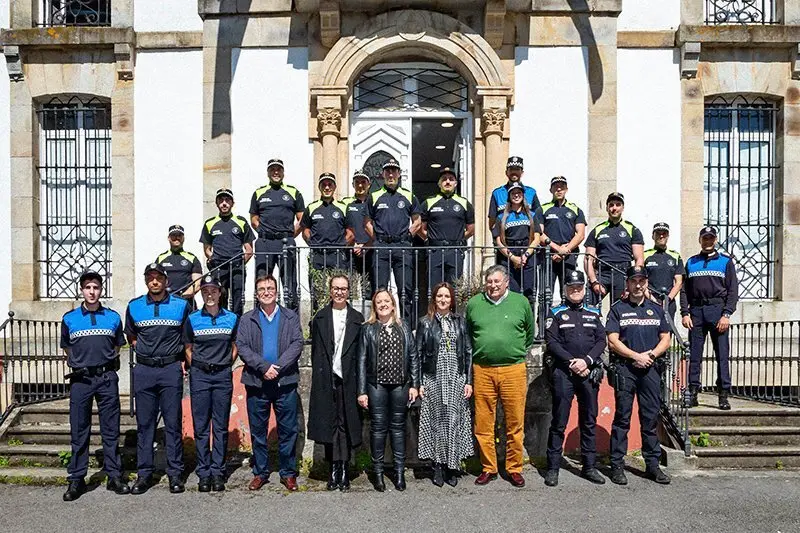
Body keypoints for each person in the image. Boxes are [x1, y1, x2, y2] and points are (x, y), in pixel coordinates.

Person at [60, 271, 129, 501]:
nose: (92, 291)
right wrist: (83, 365)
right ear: (82, 290)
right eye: (88, 287)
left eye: (96, 287)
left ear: (101, 290)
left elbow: (118, 346)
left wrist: (103, 365)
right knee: (79, 431)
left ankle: (114, 476)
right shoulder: (69, 318)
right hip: (81, 380)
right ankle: (77, 479)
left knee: (111, 430)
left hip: (106, 378)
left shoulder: (113, 317)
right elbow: (68, 349)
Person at [125, 263, 191, 495]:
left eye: (158, 278)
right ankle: (144, 475)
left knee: (172, 424)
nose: (155, 282)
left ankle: (175, 474)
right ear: (146, 281)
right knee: (145, 425)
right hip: (144, 370)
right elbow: (132, 337)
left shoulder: (181, 305)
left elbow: (186, 338)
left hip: (170, 369)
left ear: (166, 281)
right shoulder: (134, 307)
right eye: (150, 278)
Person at [466, 265, 534, 488]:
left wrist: (511, 350)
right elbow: (468, 334)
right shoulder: (474, 304)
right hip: (482, 369)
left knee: (515, 422)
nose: (493, 285)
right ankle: (489, 467)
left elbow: (529, 335)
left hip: (513, 369)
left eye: (497, 281)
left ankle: (514, 468)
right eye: (489, 281)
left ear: (506, 282)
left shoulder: (520, 302)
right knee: (484, 423)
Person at [235, 274, 304, 491]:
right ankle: (261, 472)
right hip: (257, 381)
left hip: (285, 381)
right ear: (256, 294)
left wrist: (278, 367)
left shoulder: (290, 317)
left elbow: (297, 342)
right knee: (258, 430)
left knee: (288, 429)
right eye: (262, 289)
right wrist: (264, 367)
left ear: (276, 291)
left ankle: (288, 473)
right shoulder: (247, 319)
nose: (267, 292)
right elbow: (242, 346)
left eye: (270, 288)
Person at [606, 266, 672, 485]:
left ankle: (652, 466)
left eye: (642, 281)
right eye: (634, 281)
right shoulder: (618, 309)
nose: (638, 285)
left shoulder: (656, 309)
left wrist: (650, 355)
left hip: (650, 369)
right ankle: (616, 465)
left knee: (650, 418)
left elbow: (665, 338)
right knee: (622, 418)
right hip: (626, 369)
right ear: (628, 283)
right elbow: (612, 341)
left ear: (646, 282)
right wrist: (635, 356)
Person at [543, 270, 606, 487]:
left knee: (588, 421)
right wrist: (573, 362)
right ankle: (552, 468)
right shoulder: (556, 313)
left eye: (579, 287)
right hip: (564, 373)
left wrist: (587, 361)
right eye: (571, 287)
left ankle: (589, 466)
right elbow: (552, 342)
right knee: (559, 421)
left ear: (584, 289)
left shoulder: (594, 312)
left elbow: (601, 341)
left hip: (588, 373)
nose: (576, 290)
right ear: (565, 290)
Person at [357, 289, 420, 492]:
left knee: (398, 428)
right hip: (377, 385)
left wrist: (414, 385)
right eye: (378, 302)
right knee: (378, 428)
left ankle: (399, 472)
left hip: (400, 385)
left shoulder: (404, 327)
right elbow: (362, 360)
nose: (383, 304)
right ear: (374, 307)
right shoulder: (368, 329)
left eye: (386, 301)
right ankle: (378, 473)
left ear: (393, 305)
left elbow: (413, 356)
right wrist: (362, 390)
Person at [308, 274, 364, 492]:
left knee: (346, 422)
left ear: (349, 291)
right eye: (336, 288)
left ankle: (345, 468)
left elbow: (361, 353)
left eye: (343, 288)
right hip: (327, 377)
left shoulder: (357, 318)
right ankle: (333, 468)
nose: (339, 292)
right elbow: (316, 353)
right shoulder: (320, 317)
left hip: (349, 378)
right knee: (331, 423)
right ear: (330, 291)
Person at [415, 282, 474, 487]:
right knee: (437, 422)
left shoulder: (460, 321)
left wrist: (468, 381)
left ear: (452, 300)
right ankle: (438, 465)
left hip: (456, 376)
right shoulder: (425, 322)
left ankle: (453, 465)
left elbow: (468, 351)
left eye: (447, 296)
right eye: (439, 296)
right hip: (434, 377)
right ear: (434, 299)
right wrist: (419, 382)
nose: (443, 300)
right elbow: (418, 354)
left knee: (454, 420)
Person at [183, 275, 239, 493]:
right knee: (201, 427)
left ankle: (218, 471)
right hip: (200, 376)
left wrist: (225, 363)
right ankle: (203, 472)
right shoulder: (193, 318)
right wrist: (198, 366)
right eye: (205, 291)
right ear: (201, 293)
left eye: (213, 290)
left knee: (221, 426)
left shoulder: (232, 318)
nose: (209, 295)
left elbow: (235, 346)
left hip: (222, 376)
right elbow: (188, 347)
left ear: (219, 292)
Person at [681, 226, 739, 410]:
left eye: (711, 238)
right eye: (705, 238)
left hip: (717, 310)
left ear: (715, 240)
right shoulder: (691, 262)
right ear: (700, 240)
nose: (708, 241)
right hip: (697, 310)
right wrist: (685, 312)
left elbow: (733, 290)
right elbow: (683, 290)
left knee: (722, 355)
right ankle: (693, 393)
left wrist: (727, 314)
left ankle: (723, 395)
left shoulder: (725, 262)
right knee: (695, 356)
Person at [364, 159, 421, 321]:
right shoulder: (374, 196)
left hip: (402, 246)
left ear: (399, 174)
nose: (390, 174)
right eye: (387, 171)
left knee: (405, 289)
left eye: (394, 171)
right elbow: (367, 222)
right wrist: (378, 238)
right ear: (382, 174)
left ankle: (408, 327)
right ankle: (378, 324)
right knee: (379, 289)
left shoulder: (409, 195)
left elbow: (417, 221)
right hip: (381, 246)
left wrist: (407, 236)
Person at [249, 158, 305, 311]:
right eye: (272, 169)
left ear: (283, 172)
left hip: (286, 242)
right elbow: (254, 218)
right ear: (268, 172)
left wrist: (291, 234)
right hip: (265, 242)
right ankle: (259, 319)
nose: (276, 172)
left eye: (278, 169)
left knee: (290, 283)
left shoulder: (293, 192)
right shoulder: (259, 192)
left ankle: (293, 321)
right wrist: (262, 229)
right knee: (262, 281)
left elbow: (302, 218)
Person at [301, 173, 353, 311]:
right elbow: (305, 229)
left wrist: (341, 245)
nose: (327, 187)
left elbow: (350, 232)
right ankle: (316, 325)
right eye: (324, 184)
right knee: (317, 292)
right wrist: (311, 242)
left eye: (330, 184)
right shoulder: (312, 207)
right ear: (319, 187)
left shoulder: (342, 207)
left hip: (337, 256)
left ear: (334, 187)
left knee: (339, 291)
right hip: (317, 255)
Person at [200, 188, 255, 315]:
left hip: (237, 268)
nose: (224, 203)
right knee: (220, 299)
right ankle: (222, 325)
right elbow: (207, 250)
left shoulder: (241, 222)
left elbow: (249, 250)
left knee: (238, 301)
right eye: (221, 200)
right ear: (217, 203)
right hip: (219, 268)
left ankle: (238, 327)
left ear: (232, 203)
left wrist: (240, 263)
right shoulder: (209, 223)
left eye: (227, 200)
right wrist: (213, 259)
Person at [584, 192, 644, 306]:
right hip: (602, 274)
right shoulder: (597, 230)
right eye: (611, 205)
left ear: (623, 207)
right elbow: (588, 259)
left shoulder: (632, 229)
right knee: (586, 303)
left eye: (618, 204)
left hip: (623, 273)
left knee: (620, 310)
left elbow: (639, 259)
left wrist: (631, 282)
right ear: (607, 208)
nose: (614, 208)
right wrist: (594, 282)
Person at [419, 167, 475, 287]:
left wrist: (459, 238)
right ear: (439, 183)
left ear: (456, 183)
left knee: (454, 288)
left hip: (455, 250)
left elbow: (471, 229)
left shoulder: (464, 203)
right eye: (444, 179)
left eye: (451, 179)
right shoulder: (428, 202)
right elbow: (420, 228)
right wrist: (430, 239)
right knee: (434, 288)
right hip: (435, 251)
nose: (448, 182)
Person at [539, 176, 586, 300]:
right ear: (551, 190)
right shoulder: (543, 209)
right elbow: (539, 234)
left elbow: (580, 234)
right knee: (545, 293)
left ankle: (567, 318)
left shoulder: (576, 209)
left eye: (562, 187)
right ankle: (543, 319)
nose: (559, 189)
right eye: (556, 187)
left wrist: (565, 250)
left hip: (569, 256)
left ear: (566, 189)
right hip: (548, 255)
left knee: (568, 291)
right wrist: (557, 248)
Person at [493, 182, 541, 303]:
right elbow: (498, 241)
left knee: (529, 293)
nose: (516, 195)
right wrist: (513, 258)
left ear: (523, 195)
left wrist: (525, 255)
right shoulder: (501, 217)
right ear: (509, 196)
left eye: (519, 193)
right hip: (508, 256)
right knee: (511, 292)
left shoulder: (532, 215)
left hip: (528, 255)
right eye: (513, 193)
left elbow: (536, 238)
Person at [487, 156, 542, 235]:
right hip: (504, 243)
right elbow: (492, 223)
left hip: (527, 243)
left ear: (522, 172)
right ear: (506, 172)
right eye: (511, 169)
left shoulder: (531, 192)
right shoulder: (497, 193)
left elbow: (538, 220)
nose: (514, 172)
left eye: (517, 170)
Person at [154, 224, 203, 308]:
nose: (177, 238)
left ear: (183, 238)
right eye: (173, 235)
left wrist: (184, 296)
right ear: (169, 238)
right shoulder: (161, 258)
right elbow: (155, 279)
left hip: (186, 301)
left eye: (179, 235)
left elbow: (198, 282)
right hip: (166, 301)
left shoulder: (192, 258)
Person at [343, 169, 374, 298]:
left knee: (369, 290)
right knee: (350, 290)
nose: (360, 185)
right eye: (357, 182)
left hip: (371, 250)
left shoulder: (374, 202)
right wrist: (353, 244)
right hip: (351, 251)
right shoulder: (345, 203)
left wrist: (367, 245)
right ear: (353, 184)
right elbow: (341, 227)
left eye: (363, 182)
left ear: (369, 184)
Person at [644, 222, 684, 320]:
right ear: (653, 236)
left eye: (664, 233)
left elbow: (679, 282)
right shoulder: (645, 255)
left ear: (668, 236)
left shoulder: (675, 256)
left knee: (667, 333)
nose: (661, 236)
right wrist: (652, 299)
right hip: (649, 300)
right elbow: (641, 281)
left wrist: (668, 299)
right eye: (658, 233)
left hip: (668, 301)